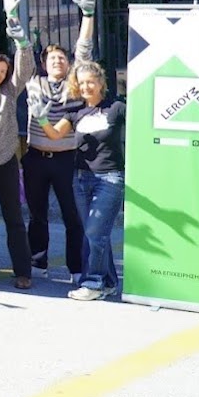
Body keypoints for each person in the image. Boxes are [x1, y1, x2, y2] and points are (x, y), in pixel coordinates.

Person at [23, 0, 97, 280]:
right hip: (35, 157)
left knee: (72, 216)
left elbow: (84, 50)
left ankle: (76, 268)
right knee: (36, 215)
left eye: (62, 58)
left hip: (67, 158)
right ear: (43, 64)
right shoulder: (33, 81)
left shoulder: (74, 83)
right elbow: (22, 54)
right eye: (52, 59)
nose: (57, 61)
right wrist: (14, 21)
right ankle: (37, 262)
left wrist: (87, 15)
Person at [35, 60, 126, 301]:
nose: (86, 87)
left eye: (90, 82)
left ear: (100, 83)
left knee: (95, 232)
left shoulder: (117, 107)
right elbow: (55, 135)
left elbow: (140, 130)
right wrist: (42, 119)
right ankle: (108, 282)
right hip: (81, 179)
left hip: (110, 178)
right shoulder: (75, 111)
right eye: (81, 83)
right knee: (94, 234)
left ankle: (92, 283)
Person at [0, 0, 37, 289]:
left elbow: (25, 69)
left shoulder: (9, 90)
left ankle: (23, 271)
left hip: (5, 161)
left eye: (3, 70)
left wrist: (18, 34)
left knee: (14, 219)